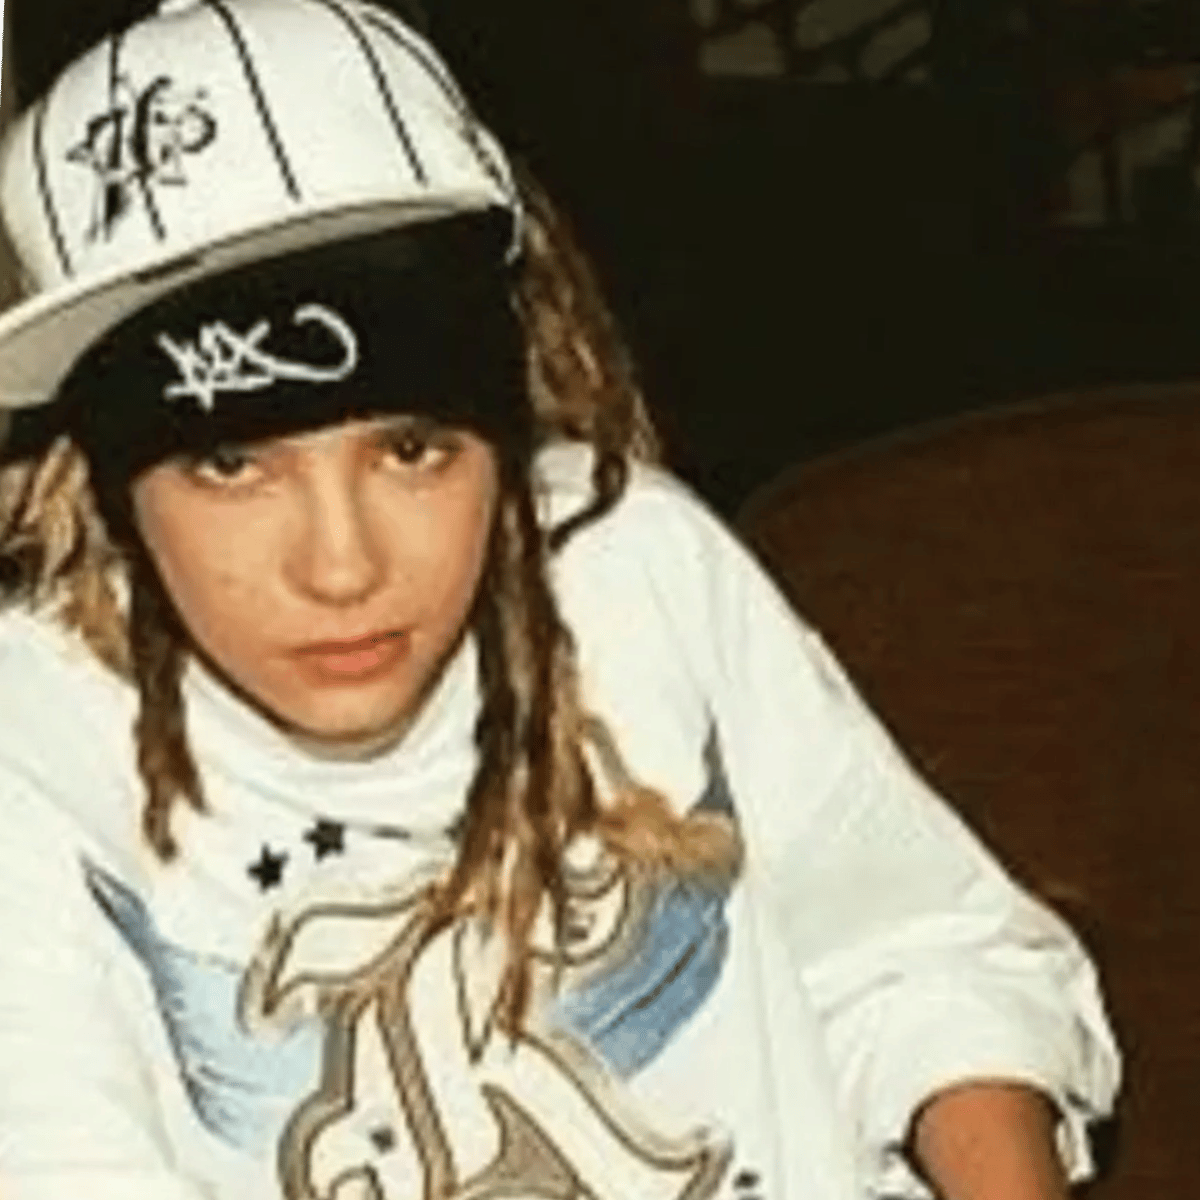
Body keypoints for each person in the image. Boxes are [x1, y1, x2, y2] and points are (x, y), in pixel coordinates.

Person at [0, 2, 1118, 1199]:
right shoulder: (39, 729)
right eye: (231, 465)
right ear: (106, 479)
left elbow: (922, 960)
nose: (342, 568)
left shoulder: (632, 568)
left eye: (414, 449)